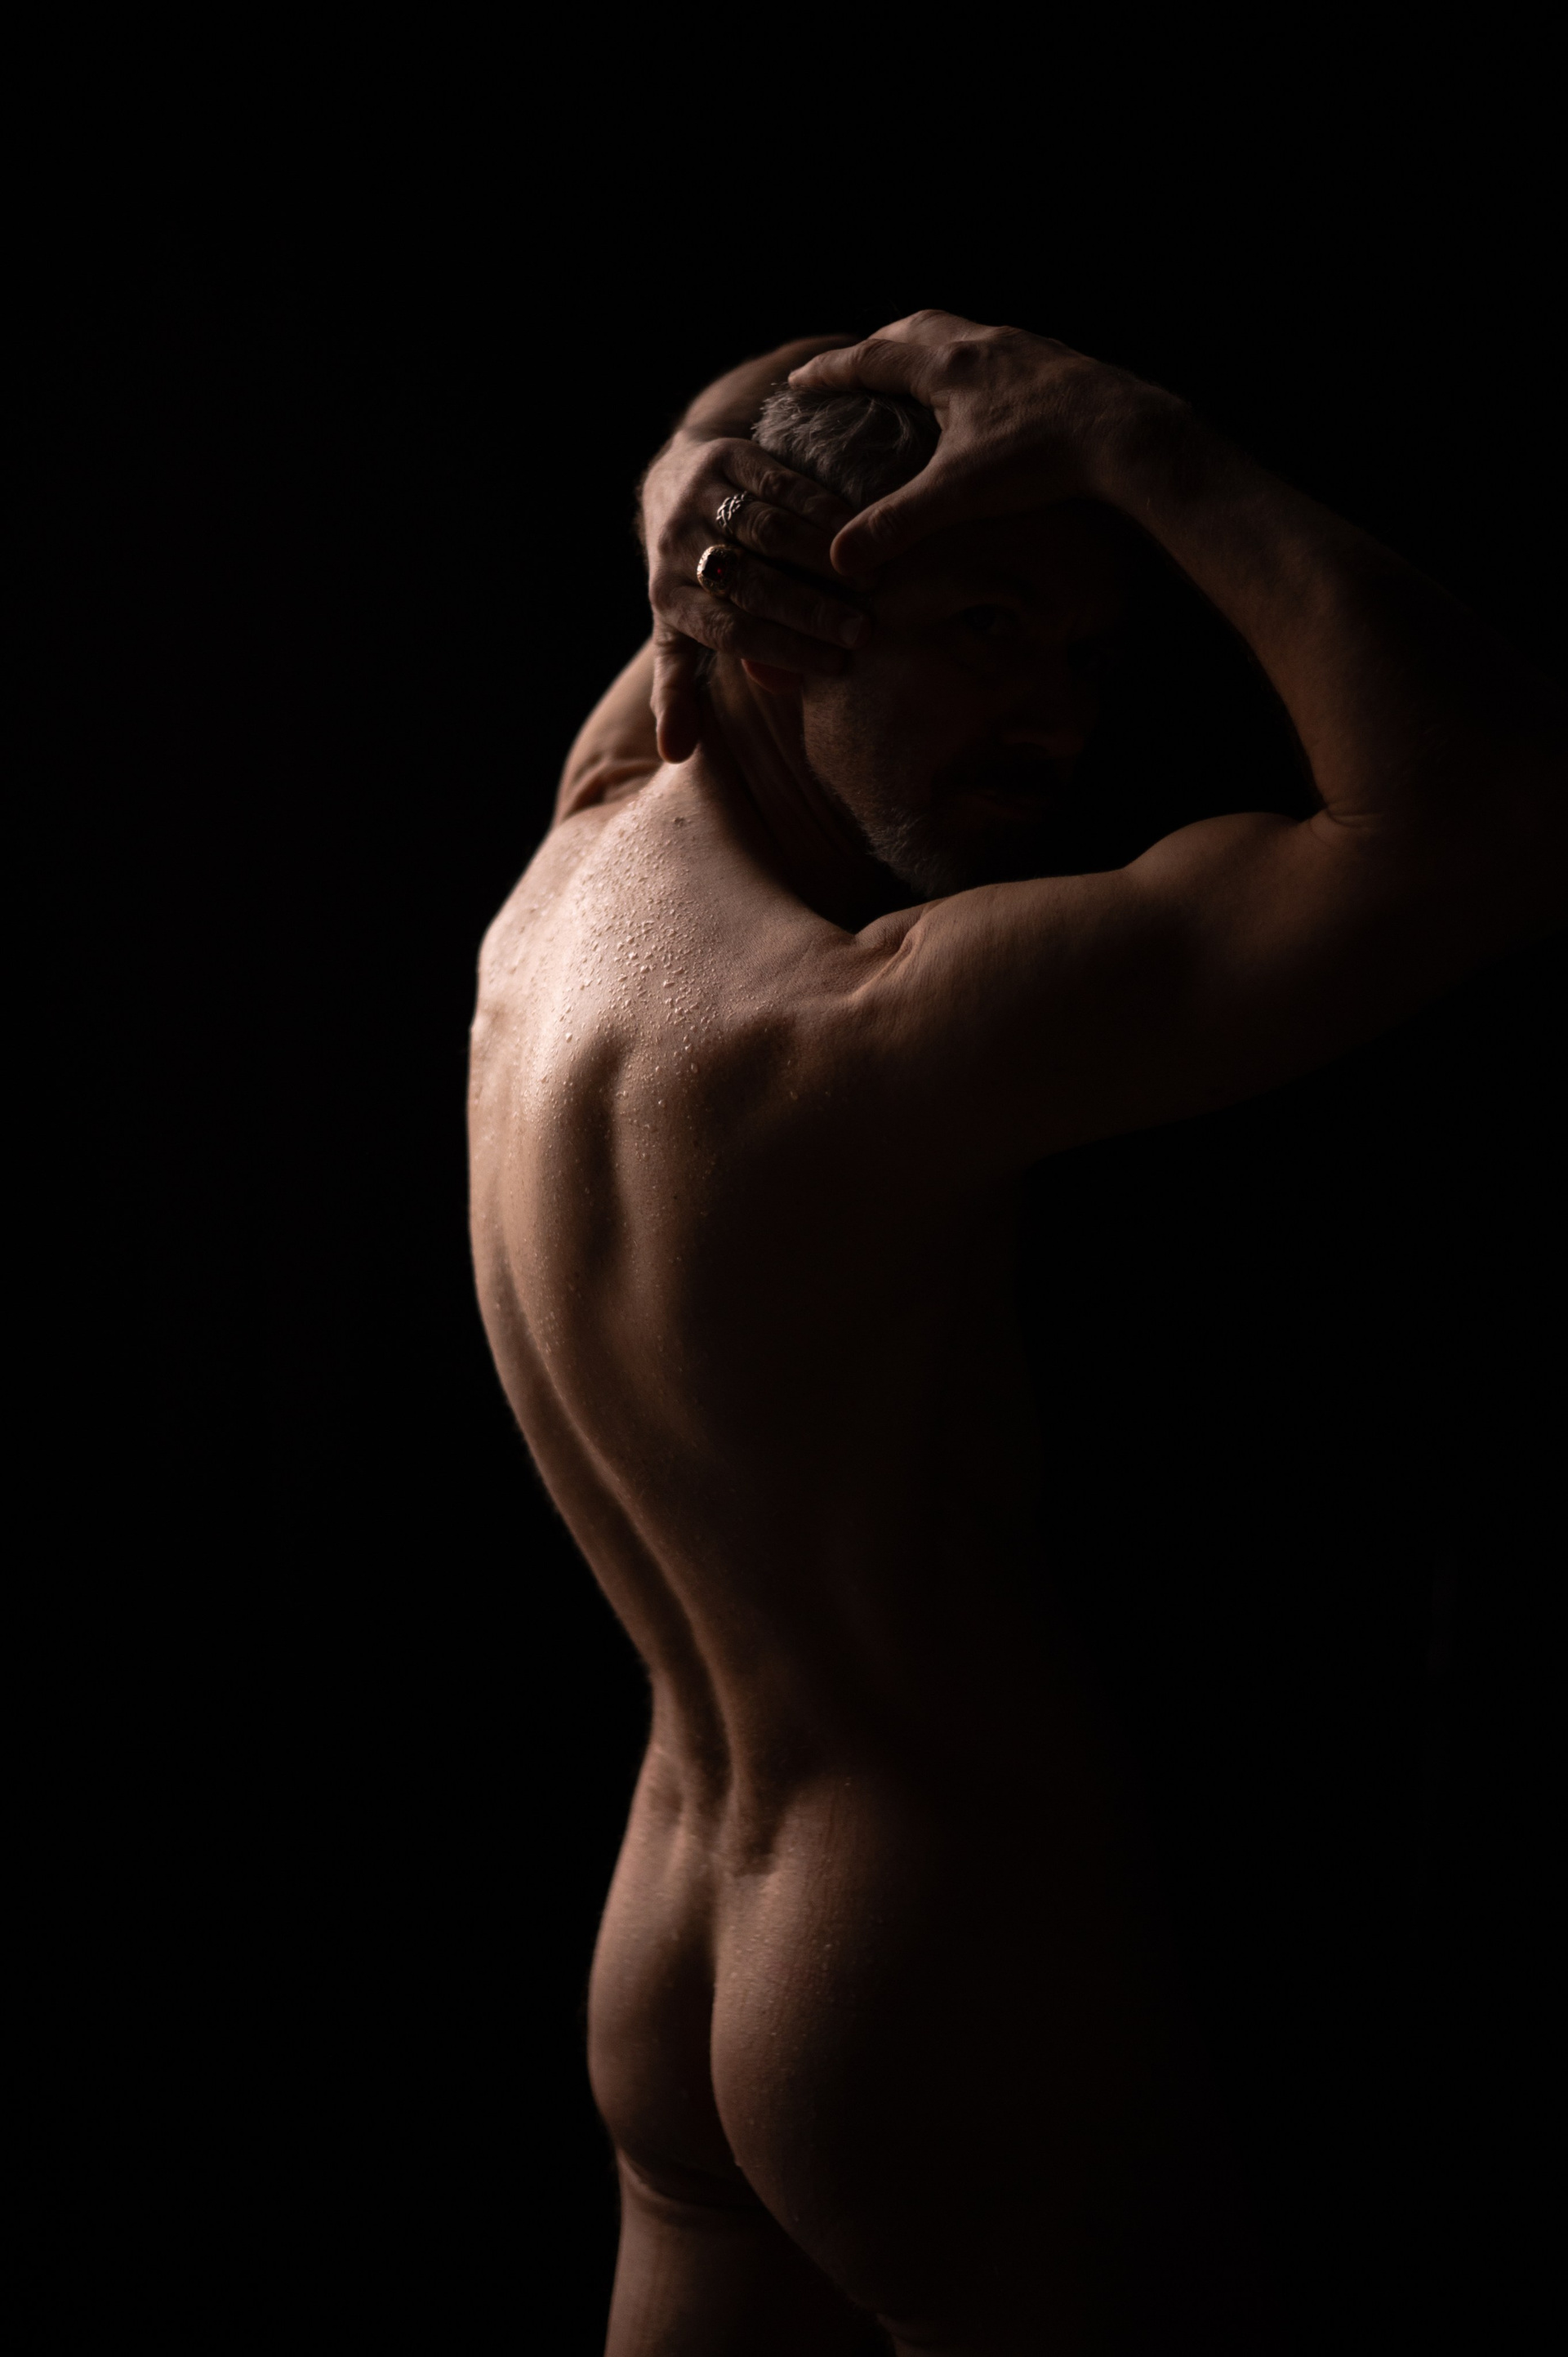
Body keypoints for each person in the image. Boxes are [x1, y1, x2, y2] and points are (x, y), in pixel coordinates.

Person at [468, 314, 1565, 2354]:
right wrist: (1151, 442)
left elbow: (724, 442)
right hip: (915, 1937)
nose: (1050, 714)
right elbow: (1474, 816)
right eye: (983, 628)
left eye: (1081, 656)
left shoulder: (574, 863)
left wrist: (683, 488)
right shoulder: (867, 1032)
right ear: (784, 621)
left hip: (673, 1914)